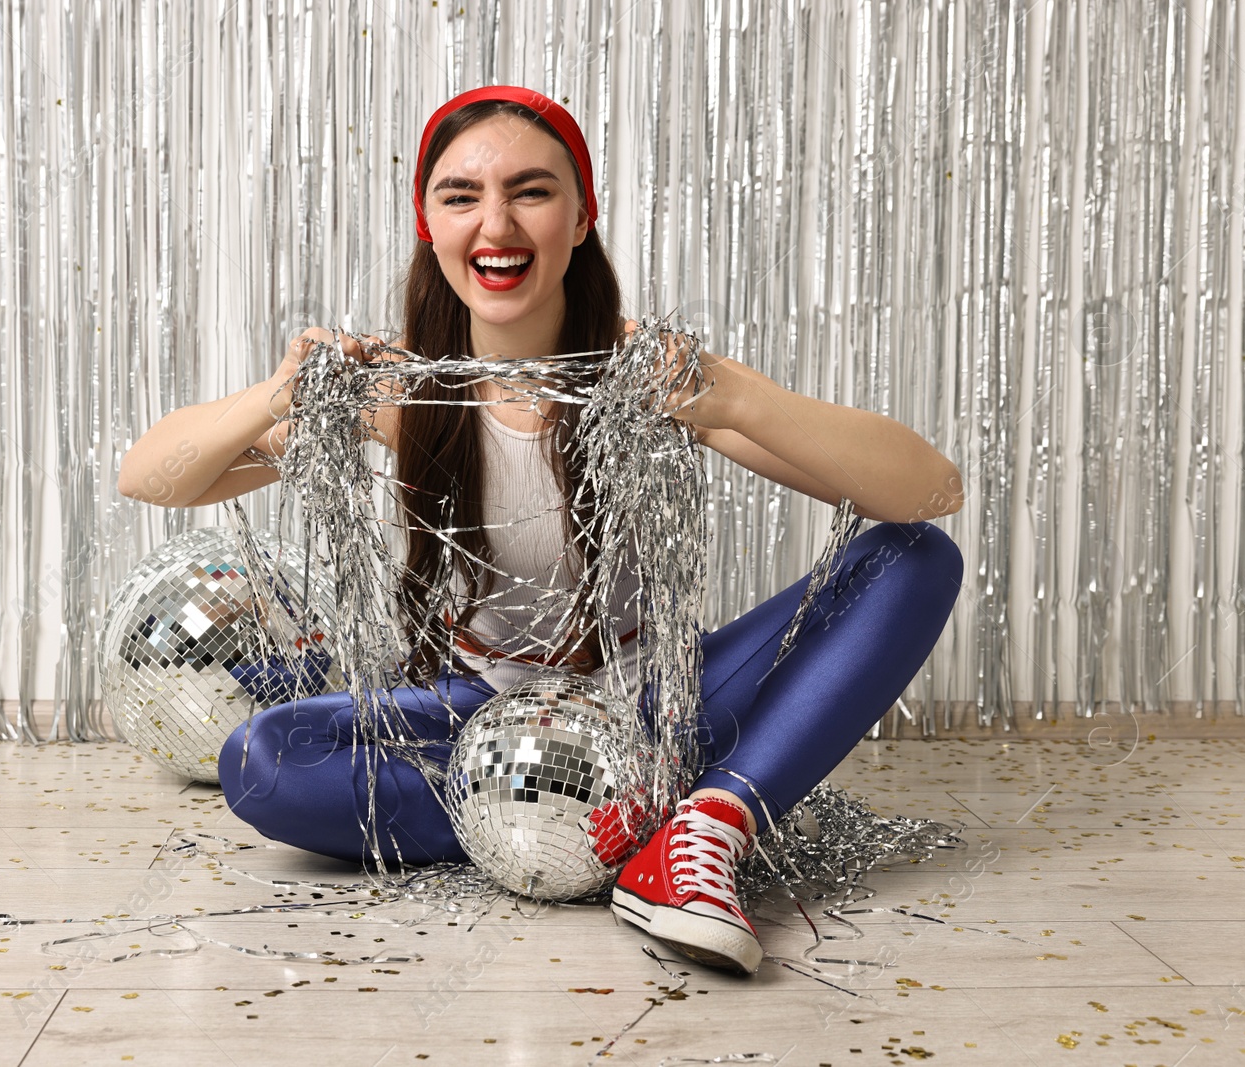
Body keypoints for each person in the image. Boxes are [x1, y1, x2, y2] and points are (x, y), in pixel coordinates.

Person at [118, 86, 964, 975]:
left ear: (580, 214)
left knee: (913, 561)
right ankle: (587, 822)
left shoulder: (652, 381)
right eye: (460, 196)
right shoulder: (407, 396)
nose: (497, 223)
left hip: (656, 713)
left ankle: (705, 829)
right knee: (264, 758)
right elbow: (153, 475)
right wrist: (277, 394)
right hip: (481, 725)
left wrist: (736, 396)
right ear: (429, 224)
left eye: (531, 191)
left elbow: (928, 491)